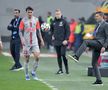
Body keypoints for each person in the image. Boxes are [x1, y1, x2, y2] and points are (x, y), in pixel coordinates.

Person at [68, 12, 108, 85]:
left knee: (86, 41)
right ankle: (99, 80)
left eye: (97, 16)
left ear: (102, 16)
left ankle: (76, 56)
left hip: (101, 44)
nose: (96, 17)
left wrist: (104, 46)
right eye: (95, 16)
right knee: (94, 63)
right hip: (96, 43)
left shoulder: (106, 25)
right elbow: (95, 37)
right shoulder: (97, 25)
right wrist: (89, 46)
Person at [19, 6, 44, 80]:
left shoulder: (36, 20)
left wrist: (41, 40)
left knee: (37, 57)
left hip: (34, 42)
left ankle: (33, 72)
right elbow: (20, 31)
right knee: (27, 59)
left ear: (33, 12)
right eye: (28, 12)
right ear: (26, 12)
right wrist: (22, 38)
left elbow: (38, 31)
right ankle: (26, 74)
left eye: (31, 12)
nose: (30, 13)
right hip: (26, 44)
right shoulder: (23, 20)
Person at [51, 9, 70, 74]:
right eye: (56, 14)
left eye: (59, 14)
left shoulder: (64, 22)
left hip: (63, 42)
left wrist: (66, 39)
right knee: (58, 55)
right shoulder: (53, 22)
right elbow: (52, 30)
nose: (57, 15)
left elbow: (68, 31)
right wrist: (52, 35)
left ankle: (67, 69)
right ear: (55, 15)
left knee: (63, 54)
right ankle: (60, 69)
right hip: (56, 42)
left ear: (61, 14)